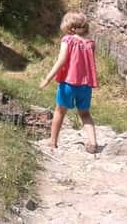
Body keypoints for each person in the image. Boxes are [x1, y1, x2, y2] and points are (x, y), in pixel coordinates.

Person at [39, 11, 99, 153]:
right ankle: (93, 142)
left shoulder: (68, 40)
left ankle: (53, 142)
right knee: (85, 114)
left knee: (60, 111)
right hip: (85, 85)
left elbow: (62, 60)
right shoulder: (90, 44)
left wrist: (48, 78)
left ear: (70, 28)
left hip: (68, 84)